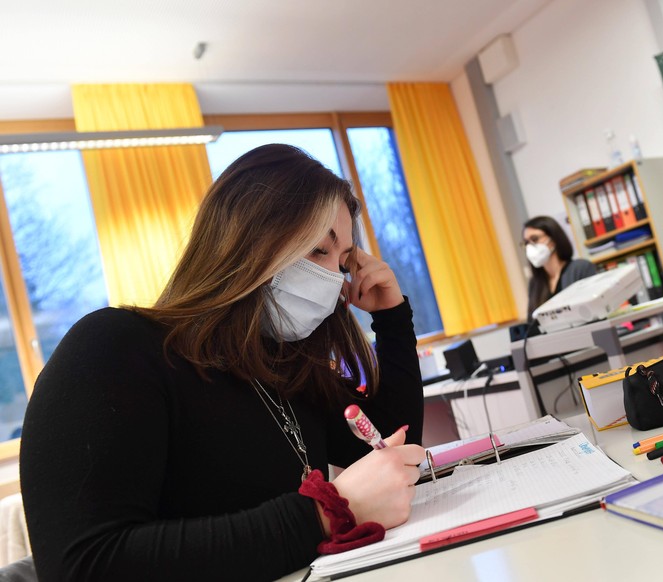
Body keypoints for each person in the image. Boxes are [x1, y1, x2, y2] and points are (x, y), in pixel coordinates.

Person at [19, 144, 426, 581]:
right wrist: (323, 515)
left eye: (344, 263)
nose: (333, 278)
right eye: (316, 251)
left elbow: (390, 445)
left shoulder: (285, 366)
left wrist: (392, 318)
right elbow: (82, 566)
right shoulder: (114, 349)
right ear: (244, 241)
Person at [523, 215, 597, 319]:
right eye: (526, 242)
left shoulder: (581, 268)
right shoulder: (535, 283)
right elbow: (532, 323)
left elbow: (594, 310)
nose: (529, 246)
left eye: (534, 239)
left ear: (553, 239)